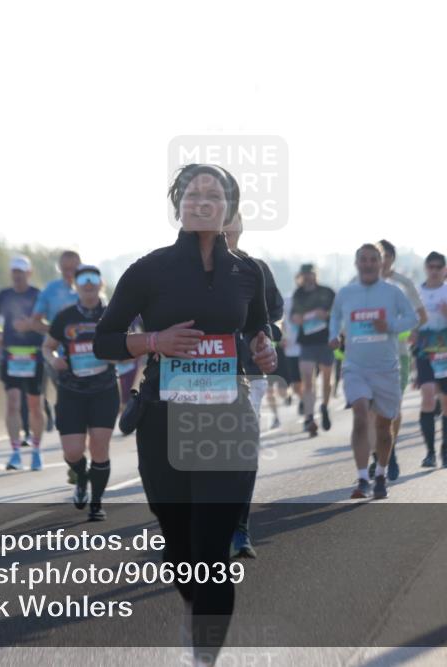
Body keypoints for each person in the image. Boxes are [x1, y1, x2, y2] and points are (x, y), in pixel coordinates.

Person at [93, 164, 276, 663]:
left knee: (212, 552)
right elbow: (104, 339)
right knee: (181, 552)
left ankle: (204, 656)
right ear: (178, 205)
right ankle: (201, 619)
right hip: (164, 420)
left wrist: (264, 350)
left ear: (228, 208)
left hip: (227, 419)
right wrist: (154, 341)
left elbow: (260, 329)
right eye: (193, 194)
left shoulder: (248, 272)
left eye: (213, 195)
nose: (202, 201)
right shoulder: (150, 269)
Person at [329, 244, 417, 499]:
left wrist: (389, 325)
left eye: (372, 260)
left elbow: (412, 319)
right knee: (359, 413)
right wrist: (333, 335)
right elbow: (335, 317)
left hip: (386, 367)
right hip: (355, 366)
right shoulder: (346, 292)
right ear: (356, 263)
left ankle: (380, 472)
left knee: (384, 425)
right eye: (363, 260)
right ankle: (361, 478)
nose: (367, 264)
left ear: (381, 263)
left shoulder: (393, 292)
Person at [223, 212, 284, 559]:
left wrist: (264, 338)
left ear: (240, 230)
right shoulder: (192, 273)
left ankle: (239, 528)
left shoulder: (254, 270)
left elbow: (272, 318)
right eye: (220, 229)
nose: (225, 235)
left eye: (231, 229)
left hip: (249, 372)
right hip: (203, 374)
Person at [42, 265, 119, 521]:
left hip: (104, 389)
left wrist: (117, 356)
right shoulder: (65, 317)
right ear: (75, 286)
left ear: (101, 284)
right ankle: (81, 475)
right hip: (71, 391)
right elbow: (48, 347)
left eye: (93, 278)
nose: (88, 283)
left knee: (100, 446)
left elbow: (129, 344)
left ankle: (96, 504)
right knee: (73, 452)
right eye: (82, 279)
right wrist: (54, 361)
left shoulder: (112, 315)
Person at [368, 239, 427, 481]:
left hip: (396, 354)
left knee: (392, 409)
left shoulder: (403, 284)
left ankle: (389, 454)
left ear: (391, 259)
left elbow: (420, 316)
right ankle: (378, 455)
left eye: (382, 257)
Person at [413, 252, 447, 469]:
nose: (434, 271)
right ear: (426, 268)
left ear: (445, 269)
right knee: (427, 396)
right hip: (424, 351)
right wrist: (412, 331)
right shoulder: (416, 293)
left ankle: (445, 449)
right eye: (431, 266)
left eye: (439, 267)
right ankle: (429, 452)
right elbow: (408, 320)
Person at [0, 255, 45, 471]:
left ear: (29, 273)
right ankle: (15, 452)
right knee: (12, 403)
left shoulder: (38, 295)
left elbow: (47, 324)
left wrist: (31, 325)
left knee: (34, 406)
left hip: (33, 355)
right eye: (14, 271)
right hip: (11, 355)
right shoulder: (4, 295)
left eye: (21, 272)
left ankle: (36, 451)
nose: (17, 275)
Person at [31, 250, 83, 432]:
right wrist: (58, 331)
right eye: (65, 269)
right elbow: (35, 322)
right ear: (59, 268)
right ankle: (69, 430)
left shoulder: (89, 288)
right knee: (67, 395)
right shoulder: (50, 291)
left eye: (73, 269)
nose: (69, 273)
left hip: (87, 355)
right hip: (58, 355)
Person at [290, 264, 336, 436]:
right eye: (305, 275)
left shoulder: (327, 292)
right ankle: (310, 418)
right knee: (307, 380)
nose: (308, 277)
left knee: (326, 379)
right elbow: (294, 317)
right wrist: (301, 318)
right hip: (307, 343)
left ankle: (324, 406)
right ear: (301, 276)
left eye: (311, 274)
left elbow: (338, 312)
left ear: (316, 275)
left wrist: (325, 314)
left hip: (325, 341)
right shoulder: (298, 294)